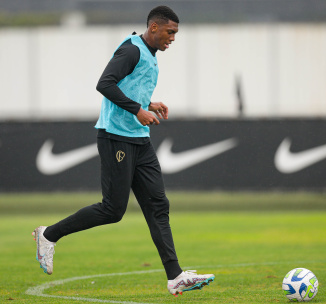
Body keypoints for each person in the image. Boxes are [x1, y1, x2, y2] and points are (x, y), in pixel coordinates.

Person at [32, 5, 214, 297]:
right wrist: (138, 110)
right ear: (154, 28)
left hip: (140, 140)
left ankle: (175, 276)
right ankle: (48, 235)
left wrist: (149, 103)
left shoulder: (150, 54)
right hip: (116, 138)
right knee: (113, 210)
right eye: (170, 32)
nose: (173, 38)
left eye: (176, 33)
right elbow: (104, 84)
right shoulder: (131, 50)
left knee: (158, 206)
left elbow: (130, 86)